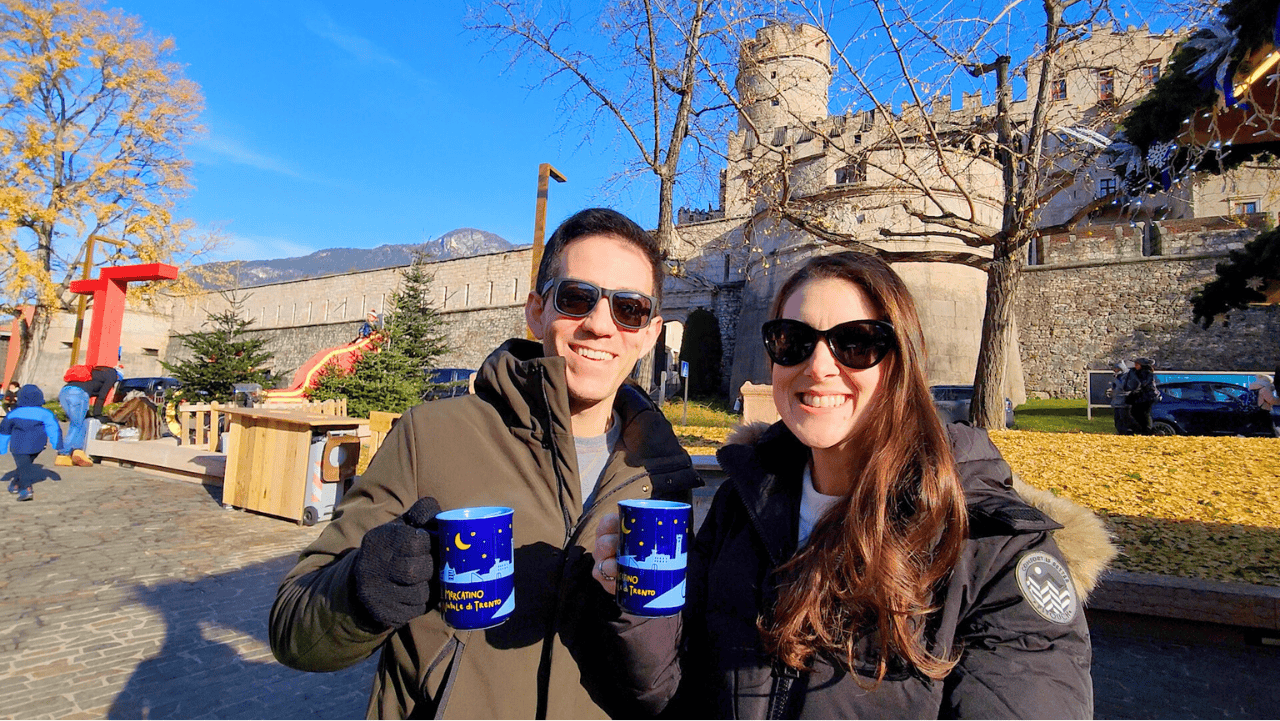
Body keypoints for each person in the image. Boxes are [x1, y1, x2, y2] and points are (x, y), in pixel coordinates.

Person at [590, 252, 1107, 718]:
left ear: (900, 361)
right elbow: (671, 695)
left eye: (856, 343)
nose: (818, 367)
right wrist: (636, 605)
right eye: (792, 341)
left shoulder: (990, 543)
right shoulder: (740, 506)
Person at [269, 208, 700, 719]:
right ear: (537, 310)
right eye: (577, 298)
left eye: (628, 309)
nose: (600, 325)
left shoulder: (663, 471)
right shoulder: (430, 436)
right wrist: (363, 590)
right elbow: (293, 629)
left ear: (650, 334)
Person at [0, 384, 63, 502]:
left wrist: (1, 447)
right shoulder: (46, 413)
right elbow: (53, 429)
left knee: (23, 467)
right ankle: (14, 484)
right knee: (24, 466)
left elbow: (4, 431)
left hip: (18, 445)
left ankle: (26, 489)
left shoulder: (14, 413)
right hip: (38, 445)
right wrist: (57, 445)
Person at [1128, 357, 1160, 435]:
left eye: (1137, 364)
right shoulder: (1137, 372)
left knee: (1145, 413)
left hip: (1148, 396)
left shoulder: (1147, 373)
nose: (1135, 366)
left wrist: (1137, 390)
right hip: (1142, 396)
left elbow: (1144, 384)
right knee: (1135, 412)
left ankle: (1148, 430)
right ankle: (1143, 429)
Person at [1106, 359, 1134, 435]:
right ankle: (1120, 433)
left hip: (1124, 403)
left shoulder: (1126, 377)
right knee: (1117, 421)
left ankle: (1126, 434)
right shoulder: (1117, 377)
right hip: (1117, 402)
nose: (1115, 370)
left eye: (1116, 369)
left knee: (1124, 421)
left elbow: (1125, 388)